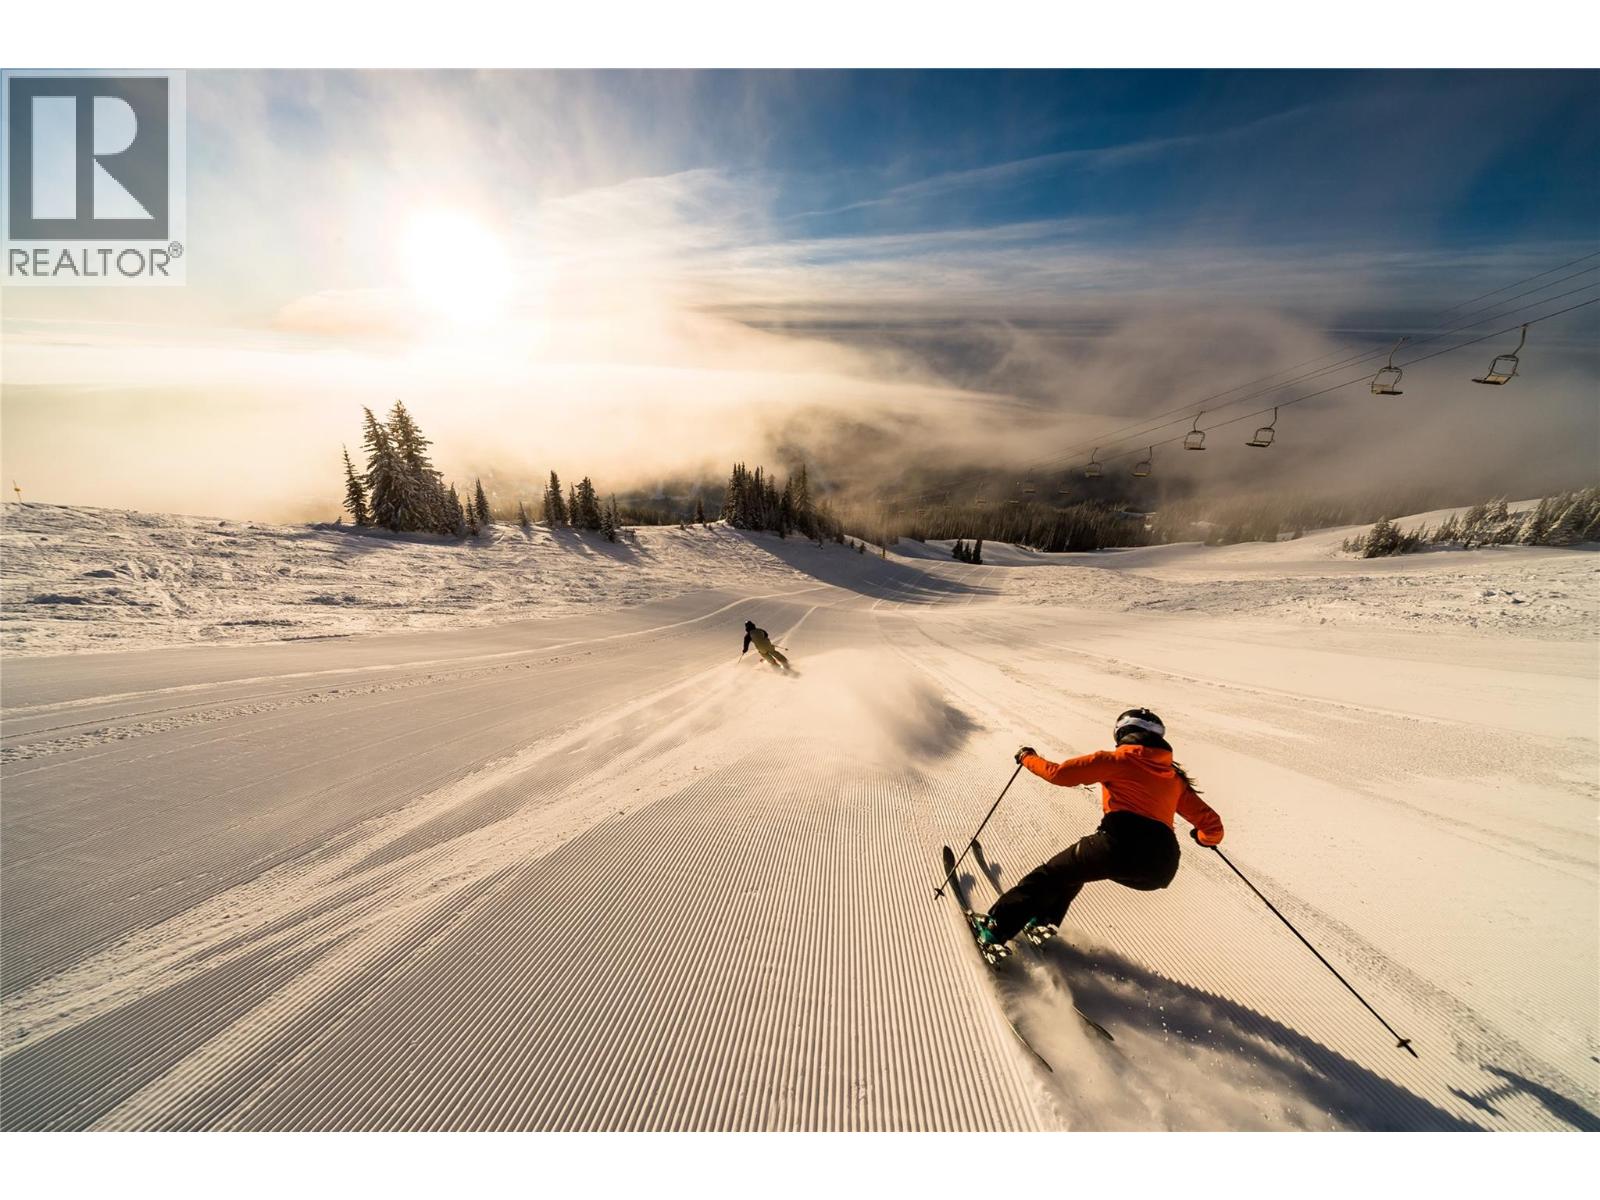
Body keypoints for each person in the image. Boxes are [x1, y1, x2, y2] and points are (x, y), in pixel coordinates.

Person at [971, 707, 1223, 953]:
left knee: (1047, 877)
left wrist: (1027, 757)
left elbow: (1059, 775)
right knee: (1074, 872)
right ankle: (1042, 921)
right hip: (1161, 867)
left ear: (1121, 733)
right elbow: (1212, 826)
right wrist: (1202, 838)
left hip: (1118, 844)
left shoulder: (1117, 759)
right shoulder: (1173, 778)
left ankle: (996, 928)